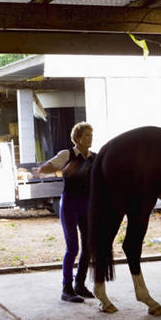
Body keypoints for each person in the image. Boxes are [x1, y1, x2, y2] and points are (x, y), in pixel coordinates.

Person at [37, 122, 96, 303]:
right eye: (87, 135)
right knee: (73, 248)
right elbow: (45, 168)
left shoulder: (95, 157)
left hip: (86, 204)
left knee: (88, 247)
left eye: (91, 135)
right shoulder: (67, 154)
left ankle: (80, 284)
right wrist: (56, 168)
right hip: (70, 203)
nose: (90, 138)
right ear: (77, 138)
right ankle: (66, 288)